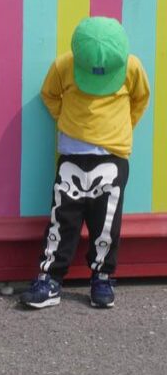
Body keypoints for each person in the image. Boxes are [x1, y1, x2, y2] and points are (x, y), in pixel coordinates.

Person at [20, 17, 150, 309]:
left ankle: (102, 277)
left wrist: (122, 128)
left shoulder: (131, 67)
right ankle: (50, 279)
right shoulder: (64, 65)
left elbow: (140, 99)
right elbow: (49, 94)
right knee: (62, 219)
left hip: (113, 157)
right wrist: (68, 123)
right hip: (72, 156)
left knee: (106, 222)